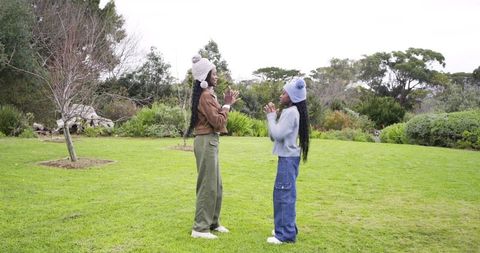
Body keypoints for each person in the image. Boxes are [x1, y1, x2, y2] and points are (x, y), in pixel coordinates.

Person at [187, 54, 239, 239]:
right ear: (205, 76)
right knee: (207, 185)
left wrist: (225, 103)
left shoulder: (209, 94)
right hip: (206, 140)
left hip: (210, 141)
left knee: (216, 185)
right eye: (214, 73)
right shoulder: (206, 96)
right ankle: (200, 228)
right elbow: (217, 122)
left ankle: (213, 222)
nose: (216, 76)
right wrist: (226, 105)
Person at [263, 77, 310, 244]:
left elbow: (276, 134)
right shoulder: (290, 112)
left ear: (292, 96)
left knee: (283, 195)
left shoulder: (291, 113)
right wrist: (273, 117)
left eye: (284, 93)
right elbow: (274, 136)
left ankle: (285, 235)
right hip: (288, 159)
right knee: (284, 194)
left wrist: (270, 117)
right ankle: (285, 228)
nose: (281, 95)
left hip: (287, 160)